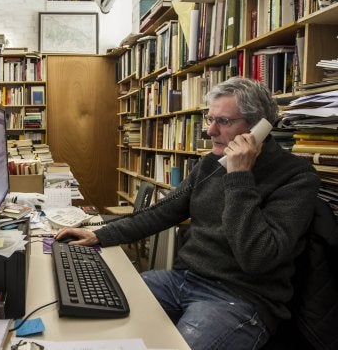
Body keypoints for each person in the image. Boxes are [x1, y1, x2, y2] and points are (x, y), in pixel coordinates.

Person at [55, 77, 320, 350]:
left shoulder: (296, 178)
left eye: (224, 122)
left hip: (240, 298)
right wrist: (99, 234)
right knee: (93, 311)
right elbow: (160, 213)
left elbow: (257, 258)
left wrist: (239, 177)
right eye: (209, 119)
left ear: (258, 127)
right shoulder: (210, 165)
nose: (210, 131)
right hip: (182, 280)